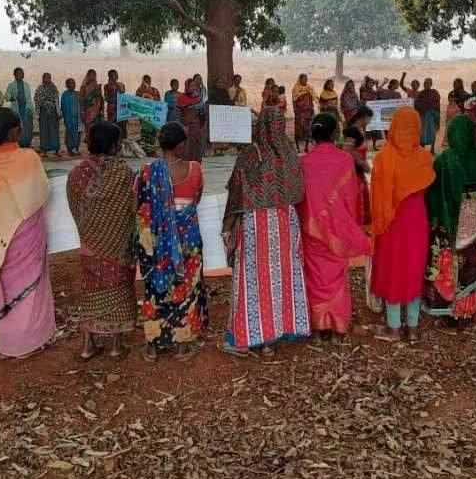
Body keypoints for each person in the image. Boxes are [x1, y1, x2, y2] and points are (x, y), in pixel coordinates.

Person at [0, 108, 57, 359]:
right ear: (15, 131)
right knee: (30, 286)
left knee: (4, 282)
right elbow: (40, 194)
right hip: (25, 233)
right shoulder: (27, 158)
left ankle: (8, 343)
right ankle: (30, 340)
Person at [222, 108, 310, 355]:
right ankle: (282, 328)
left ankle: (255, 335)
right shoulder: (290, 154)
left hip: (255, 224)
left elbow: (236, 191)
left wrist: (227, 228)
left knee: (256, 278)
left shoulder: (252, 154)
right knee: (282, 275)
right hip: (285, 222)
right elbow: (298, 191)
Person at [134, 122, 208, 361]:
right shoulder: (195, 169)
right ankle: (182, 345)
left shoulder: (147, 172)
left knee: (156, 288)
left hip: (156, 240)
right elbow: (196, 198)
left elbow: (140, 204)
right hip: (188, 239)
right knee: (186, 288)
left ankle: (153, 345)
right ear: (179, 146)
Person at [67, 122, 138, 360]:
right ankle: (116, 345)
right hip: (117, 245)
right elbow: (132, 207)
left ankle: (87, 345)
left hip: (90, 243)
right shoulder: (123, 172)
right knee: (118, 286)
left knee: (90, 289)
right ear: (115, 146)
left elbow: (76, 208)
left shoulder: (77, 173)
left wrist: (90, 231)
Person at [297, 114, 371, 339]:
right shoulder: (345, 160)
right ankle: (338, 325)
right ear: (334, 134)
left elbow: (299, 199)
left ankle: (319, 326)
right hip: (337, 228)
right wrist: (349, 223)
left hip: (311, 229)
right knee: (336, 274)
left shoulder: (303, 162)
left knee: (315, 276)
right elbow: (351, 196)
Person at [424, 115, 476, 324]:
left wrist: (433, 219)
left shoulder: (443, 159)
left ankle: (445, 308)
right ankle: (466, 310)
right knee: (470, 257)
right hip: (473, 206)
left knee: (446, 257)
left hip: (449, 212)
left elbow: (433, 193)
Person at [370, 106, 435, 341]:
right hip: (417, 220)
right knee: (413, 269)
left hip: (392, 223)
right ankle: (414, 328)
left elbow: (377, 198)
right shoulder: (425, 158)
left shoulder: (384, 158)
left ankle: (394, 326)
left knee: (393, 269)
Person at [34, 72, 62, 158]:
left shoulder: (54, 87)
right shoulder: (39, 88)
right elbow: (36, 98)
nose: (48, 79)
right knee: (44, 131)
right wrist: (44, 100)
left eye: (49, 78)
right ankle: (44, 150)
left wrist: (58, 112)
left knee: (54, 130)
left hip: (53, 112)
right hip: (43, 112)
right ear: (42, 79)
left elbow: (57, 99)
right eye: (46, 78)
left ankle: (56, 150)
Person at [5, 67, 35, 148]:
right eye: (18, 73)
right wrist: (14, 98)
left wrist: (32, 109)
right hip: (16, 109)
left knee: (28, 126)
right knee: (18, 127)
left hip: (27, 108)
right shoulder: (11, 85)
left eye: (22, 73)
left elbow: (29, 98)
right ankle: (19, 144)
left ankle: (27, 143)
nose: (20, 75)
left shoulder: (26, 85)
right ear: (14, 75)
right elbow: (6, 97)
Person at [178, 78, 205, 162]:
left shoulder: (198, 98)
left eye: (194, 86)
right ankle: (186, 164)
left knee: (197, 144)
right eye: (191, 86)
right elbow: (180, 112)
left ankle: (196, 164)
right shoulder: (181, 97)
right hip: (186, 125)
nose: (193, 88)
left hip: (196, 125)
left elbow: (202, 112)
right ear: (187, 86)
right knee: (188, 145)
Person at [136, 75, 163, 155]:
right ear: (142, 81)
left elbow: (159, 103)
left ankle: (151, 151)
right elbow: (137, 103)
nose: (147, 82)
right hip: (144, 116)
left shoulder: (155, 90)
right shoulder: (139, 91)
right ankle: (145, 151)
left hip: (153, 115)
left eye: (149, 80)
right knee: (145, 133)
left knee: (153, 133)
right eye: (145, 80)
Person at [413, 78, 441, 152]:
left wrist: (436, 115)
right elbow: (417, 104)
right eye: (425, 83)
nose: (426, 84)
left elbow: (437, 103)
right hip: (422, 115)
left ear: (431, 84)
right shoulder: (421, 93)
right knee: (422, 133)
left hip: (432, 115)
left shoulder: (434, 92)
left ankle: (432, 149)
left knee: (432, 132)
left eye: (428, 83)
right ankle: (422, 149)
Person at [292, 74, 317, 152]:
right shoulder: (295, 88)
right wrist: (295, 110)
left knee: (308, 129)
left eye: (306, 79)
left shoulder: (309, 87)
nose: (306, 80)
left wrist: (312, 108)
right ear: (300, 79)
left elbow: (314, 98)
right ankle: (298, 147)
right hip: (299, 112)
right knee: (298, 130)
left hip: (308, 111)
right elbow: (294, 101)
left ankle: (306, 147)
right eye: (304, 79)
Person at [61, 77, 83, 156]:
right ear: (67, 85)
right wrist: (66, 118)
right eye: (70, 83)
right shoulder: (65, 95)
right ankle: (70, 150)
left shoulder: (78, 94)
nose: (73, 85)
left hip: (78, 118)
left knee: (78, 133)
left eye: (73, 83)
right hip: (69, 118)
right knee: (70, 133)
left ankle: (76, 148)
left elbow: (82, 104)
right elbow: (63, 107)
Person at [104, 69, 127, 137]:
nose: (114, 76)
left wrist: (118, 87)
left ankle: (121, 140)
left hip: (121, 108)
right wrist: (115, 100)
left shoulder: (121, 85)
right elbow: (106, 98)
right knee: (112, 126)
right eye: (112, 75)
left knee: (122, 127)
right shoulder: (106, 86)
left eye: (115, 75)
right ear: (109, 76)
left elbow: (123, 96)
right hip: (112, 109)